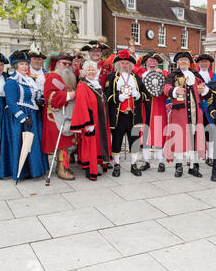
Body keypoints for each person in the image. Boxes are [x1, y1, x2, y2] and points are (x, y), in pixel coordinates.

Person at [0, 50, 48, 181]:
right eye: (22, 64)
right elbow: (11, 103)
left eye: (26, 64)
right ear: (15, 66)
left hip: (33, 115)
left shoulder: (30, 80)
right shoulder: (11, 82)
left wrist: (40, 100)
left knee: (32, 143)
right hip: (18, 119)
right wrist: (22, 118)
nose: (25, 67)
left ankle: (34, 170)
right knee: (21, 143)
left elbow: (34, 97)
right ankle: (22, 171)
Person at [163, 51, 210, 178]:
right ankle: (179, 166)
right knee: (179, 139)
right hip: (180, 113)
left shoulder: (196, 75)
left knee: (194, 139)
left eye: (185, 60)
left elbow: (204, 91)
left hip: (195, 113)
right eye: (181, 60)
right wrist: (174, 90)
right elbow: (166, 88)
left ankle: (192, 166)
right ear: (177, 62)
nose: (183, 61)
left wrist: (204, 90)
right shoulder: (173, 75)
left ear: (189, 62)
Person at [104, 49, 146, 177]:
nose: (125, 65)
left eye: (127, 63)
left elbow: (145, 95)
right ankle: (116, 165)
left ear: (130, 65)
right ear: (118, 64)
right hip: (118, 116)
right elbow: (107, 96)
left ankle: (134, 165)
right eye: (122, 63)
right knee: (116, 141)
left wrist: (138, 95)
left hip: (133, 115)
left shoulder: (136, 78)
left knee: (134, 141)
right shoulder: (111, 77)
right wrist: (118, 97)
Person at [71, 61, 112, 180]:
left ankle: (98, 165)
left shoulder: (96, 84)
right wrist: (87, 123)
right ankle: (90, 170)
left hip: (100, 120)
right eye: (88, 70)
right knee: (90, 145)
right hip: (91, 122)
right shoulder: (82, 85)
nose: (91, 72)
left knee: (98, 144)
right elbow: (81, 105)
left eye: (93, 70)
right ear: (83, 72)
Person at [42, 52, 77, 180]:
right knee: (62, 142)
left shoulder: (70, 76)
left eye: (69, 63)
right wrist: (69, 96)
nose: (67, 66)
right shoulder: (53, 77)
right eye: (64, 63)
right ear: (57, 64)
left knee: (67, 141)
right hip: (55, 115)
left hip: (67, 113)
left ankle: (62, 166)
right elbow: (50, 96)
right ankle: (61, 169)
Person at [137, 52, 169, 173]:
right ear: (146, 62)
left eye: (154, 61)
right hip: (144, 108)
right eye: (150, 60)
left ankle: (161, 162)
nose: (152, 63)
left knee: (159, 135)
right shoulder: (140, 75)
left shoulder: (164, 74)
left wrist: (163, 76)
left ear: (158, 63)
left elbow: (168, 88)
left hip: (158, 108)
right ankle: (146, 162)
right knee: (145, 135)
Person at [195, 53, 216, 167]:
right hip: (197, 108)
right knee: (196, 132)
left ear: (210, 63)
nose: (204, 63)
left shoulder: (215, 77)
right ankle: (195, 157)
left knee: (210, 132)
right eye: (202, 62)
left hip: (210, 108)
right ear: (198, 63)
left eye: (206, 62)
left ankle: (210, 156)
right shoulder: (193, 76)